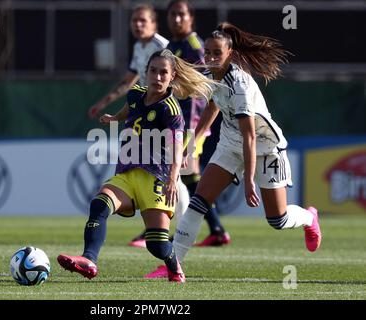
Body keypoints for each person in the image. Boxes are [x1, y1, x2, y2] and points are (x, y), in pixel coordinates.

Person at [149, 22, 322, 278]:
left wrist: (249, 180)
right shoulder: (212, 76)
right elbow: (211, 107)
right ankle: (172, 266)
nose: (209, 57)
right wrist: (192, 143)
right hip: (231, 144)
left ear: (230, 53)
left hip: (265, 147)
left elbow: (249, 136)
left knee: (278, 219)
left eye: (216, 53)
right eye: (207, 52)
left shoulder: (238, 84)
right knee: (199, 201)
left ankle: (309, 218)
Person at [57, 49, 219, 283]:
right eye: (154, 71)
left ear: (172, 76)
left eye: (164, 73)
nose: (158, 77)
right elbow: (130, 109)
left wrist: (173, 179)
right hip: (127, 173)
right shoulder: (136, 93)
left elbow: (176, 149)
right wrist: (115, 118)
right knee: (99, 204)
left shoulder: (170, 110)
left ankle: (174, 266)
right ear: (146, 73)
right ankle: (89, 260)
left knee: (156, 244)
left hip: (156, 179)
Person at [130, 0, 230, 251]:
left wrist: (195, 127)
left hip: (188, 123)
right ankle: (214, 228)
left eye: (181, 14)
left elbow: (201, 86)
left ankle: (163, 228)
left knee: (180, 173)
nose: (176, 19)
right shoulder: (172, 46)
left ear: (191, 18)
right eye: (172, 14)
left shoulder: (195, 46)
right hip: (173, 121)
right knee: (187, 176)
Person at [87, 4, 168, 119]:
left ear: (153, 24)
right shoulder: (138, 47)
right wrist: (102, 104)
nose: (138, 24)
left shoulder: (163, 46)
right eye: (134, 20)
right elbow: (127, 83)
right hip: (148, 106)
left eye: (143, 20)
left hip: (164, 108)